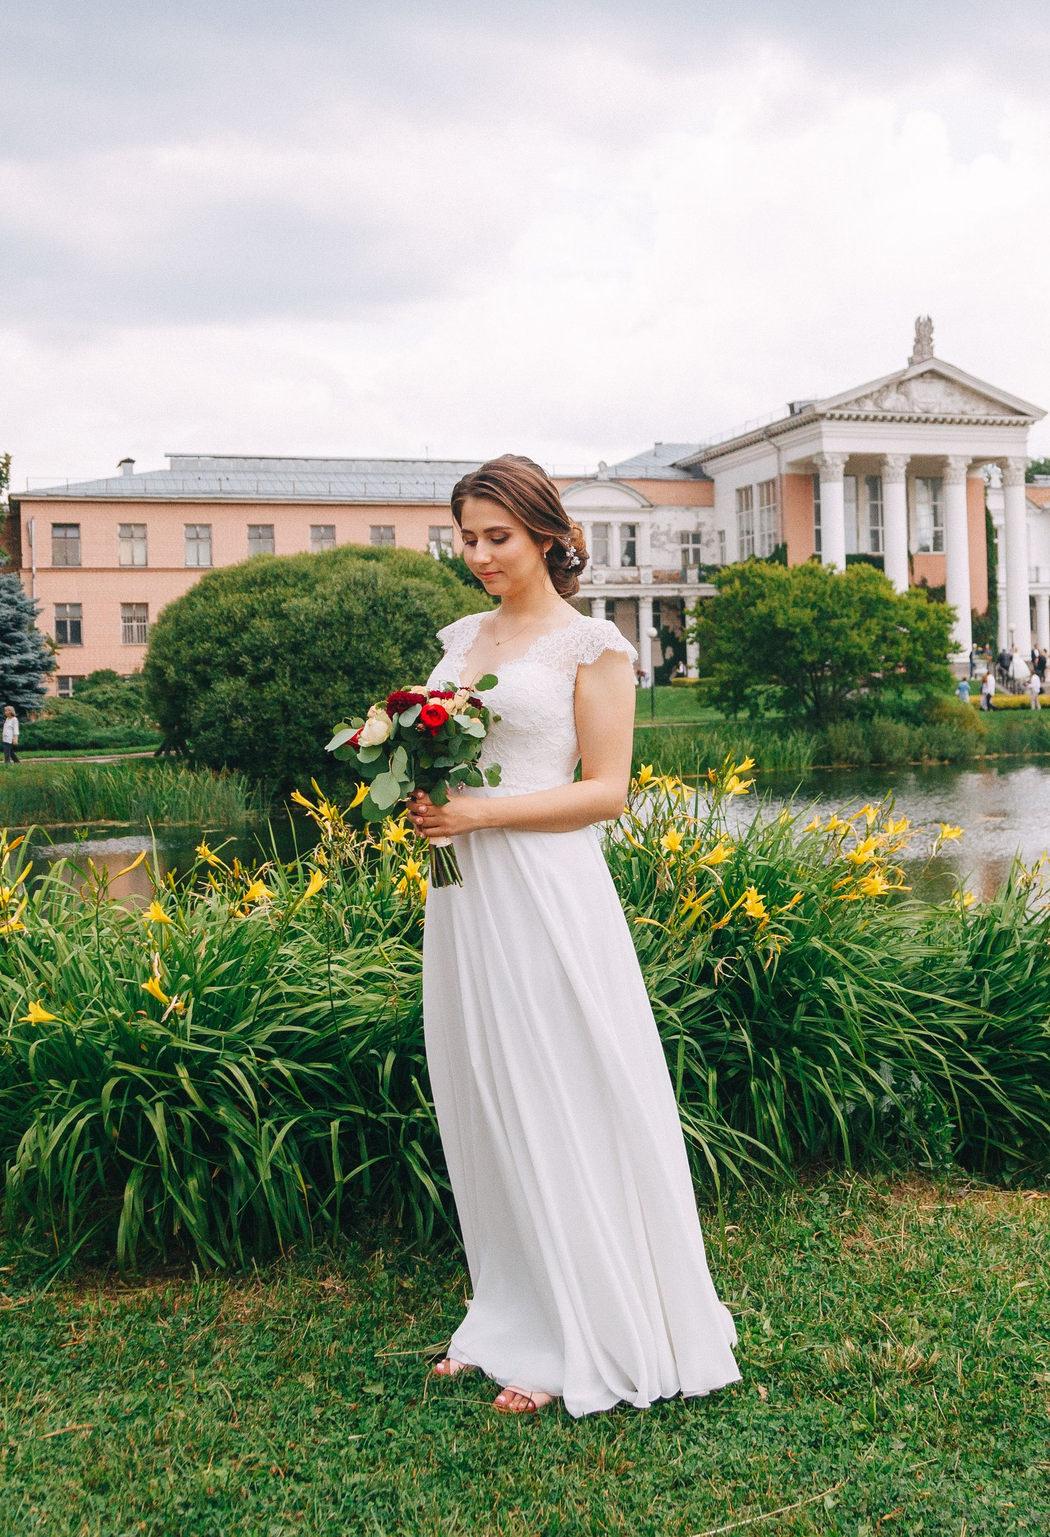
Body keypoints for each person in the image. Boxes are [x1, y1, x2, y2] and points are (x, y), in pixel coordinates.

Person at [405, 455, 740, 1419]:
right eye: (467, 537)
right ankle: (508, 1314)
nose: (479, 554)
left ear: (547, 535)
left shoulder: (593, 647)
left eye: (497, 536)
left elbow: (606, 791)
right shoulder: (462, 637)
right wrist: (425, 794)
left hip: (546, 889)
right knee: (487, 1088)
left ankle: (574, 1335)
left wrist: (479, 815)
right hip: (466, 893)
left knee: (556, 1087)